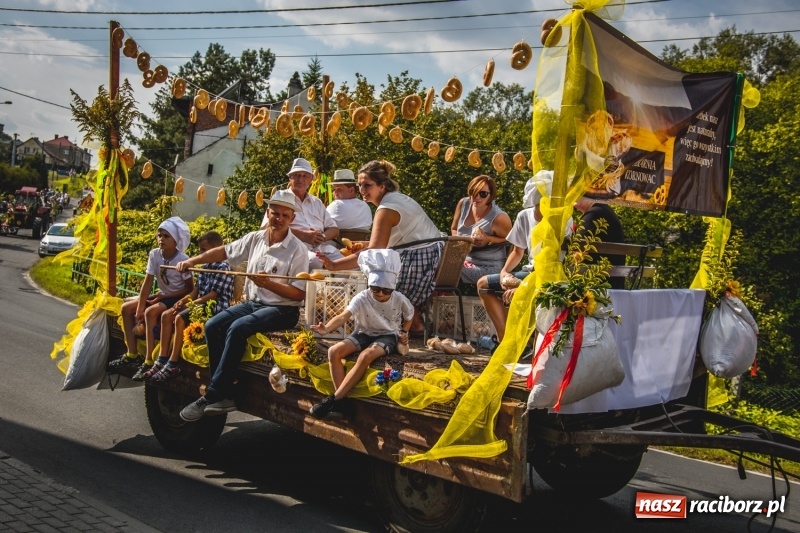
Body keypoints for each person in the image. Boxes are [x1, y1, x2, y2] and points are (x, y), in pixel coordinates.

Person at [178, 190, 309, 421]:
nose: (278, 219)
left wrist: (268, 283)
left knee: (238, 328)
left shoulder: (298, 249)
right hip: (254, 303)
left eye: (284, 215)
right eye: (274, 213)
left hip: (283, 309)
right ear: (267, 213)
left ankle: (214, 393)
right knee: (212, 325)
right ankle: (224, 391)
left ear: (292, 219)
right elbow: (224, 251)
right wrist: (192, 261)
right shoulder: (255, 238)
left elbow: (298, 293)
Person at [317, 160, 442, 335]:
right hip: (430, 253)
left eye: (367, 185)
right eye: (360, 185)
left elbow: (375, 250)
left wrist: (335, 265)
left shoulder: (386, 209)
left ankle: (408, 324)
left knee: (379, 277)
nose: (362, 190)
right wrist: (363, 245)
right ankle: (413, 322)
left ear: (382, 187)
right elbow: (389, 242)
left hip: (421, 259)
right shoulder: (397, 198)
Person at [309, 249, 413, 419]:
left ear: (392, 288)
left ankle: (333, 399)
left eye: (386, 290)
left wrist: (404, 332)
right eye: (375, 289)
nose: (380, 294)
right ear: (369, 285)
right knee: (333, 351)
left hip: (388, 334)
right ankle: (341, 401)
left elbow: (409, 315)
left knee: (365, 356)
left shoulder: (399, 298)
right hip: (364, 332)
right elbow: (344, 315)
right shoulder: (362, 297)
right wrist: (327, 328)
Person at [477, 171, 572, 343]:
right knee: (483, 284)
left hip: (551, 277)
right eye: (538, 205)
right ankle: (504, 340)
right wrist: (505, 272)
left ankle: (520, 343)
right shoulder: (524, 216)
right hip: (529, 272)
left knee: (513, 294)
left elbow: (556, 263)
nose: (541, 209)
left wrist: (523, 287)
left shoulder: (562, 220)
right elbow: (517, 251)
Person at [108, 216, 194, 379]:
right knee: (127, 308)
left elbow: (189, 289)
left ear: (175, 240)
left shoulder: (183, 260)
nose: (161, 239)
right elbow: (147, 282)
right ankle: (131, 353)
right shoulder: (155, 254)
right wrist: (140, 305)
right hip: (162, 296)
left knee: (150, 312)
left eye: (166, 236)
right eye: (159, 235)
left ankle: (148, 360)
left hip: (176, 297)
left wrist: (161, 298)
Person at [144, 231, 235, 383]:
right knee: (167, 315)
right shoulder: (205, 266)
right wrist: (183, 301)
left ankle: (173, 362)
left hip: (214, 307)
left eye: (204, 250)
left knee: (179, 317)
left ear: (216, 249)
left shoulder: (223, 267)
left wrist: (190, 304)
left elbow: (212, 296)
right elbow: (195, 291)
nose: (201, 254)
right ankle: (162, 358)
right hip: (201, 303)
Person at [260, 158, 340, 270]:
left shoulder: (316, 202)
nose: (300, 179)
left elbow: (334, 229)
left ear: (311, 179)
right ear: (290, 177)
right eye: (297, 175)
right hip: (292, 247)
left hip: (321, 248)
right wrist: (304, 235)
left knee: (344, 263)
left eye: (305, 176)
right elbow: (267, 227)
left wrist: (321, 237)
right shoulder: (281, 197)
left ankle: (333, 287)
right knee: (315, 262)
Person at [450, 175, 512, 284]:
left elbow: (512, 240)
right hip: (464, 260)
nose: (477, 197)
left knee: (442, 270)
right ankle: (445, 297)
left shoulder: (499, 217)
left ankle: (442, 297)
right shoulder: (464, 204)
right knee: (434, 261)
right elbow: (454, 228)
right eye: (473, 192)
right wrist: (460, 242)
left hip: (488, 266)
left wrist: (488, 239)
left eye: (483, 194)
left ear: (490, 196)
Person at [572, 195, 626, 289]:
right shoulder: (603, 210)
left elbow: (578, 255)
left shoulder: (594, 214)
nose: (573, 195)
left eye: (578, 192)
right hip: (612, 282)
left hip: (596, 284)